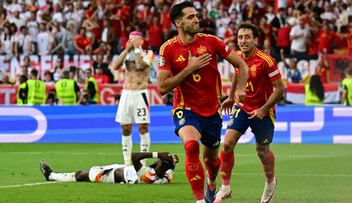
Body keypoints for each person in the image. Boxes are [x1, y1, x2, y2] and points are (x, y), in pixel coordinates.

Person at [157, 2, 249, 203]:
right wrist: (190, 68)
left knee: (212, 161)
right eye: (191, 17)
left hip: (212, 111)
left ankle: (212, 183)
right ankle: (199, 200)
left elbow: (241, 65)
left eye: (196, 15)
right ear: (178, 22)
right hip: (185, 108)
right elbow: (162, 86)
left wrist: (239, 89)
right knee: (191, 146)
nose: (197, 19)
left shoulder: (212, 42)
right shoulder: (168, 49)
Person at [214, 23, 284, 203]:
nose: (243, 41)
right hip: (242, 107)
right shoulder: (237, 57)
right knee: (227, 143)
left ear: (255, 40)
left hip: (263, 111)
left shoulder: (266, 60)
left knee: (262, 150)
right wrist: (231, 96)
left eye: (247, 37)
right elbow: (237, 74)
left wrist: (264, 109)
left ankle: (270, 181)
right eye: (240, 37)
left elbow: (279, 89)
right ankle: (225, 187)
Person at [111, 31, 152, 166]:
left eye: (134, 39)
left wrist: (136, 49)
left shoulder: (148, 54)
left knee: (142, 127)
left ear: (140, 41)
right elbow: (115, 66)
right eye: (130, 39)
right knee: (125, 128)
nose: (131, 41)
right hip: (126, 93)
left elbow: (140, 66)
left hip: (141, 93)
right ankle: (127, 162)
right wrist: (126, 50)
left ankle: (143, 163)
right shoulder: (126, 54)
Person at [40, 152, 178, 185]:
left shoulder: (148, 176)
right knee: (82, 174)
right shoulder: (165, 175)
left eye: (159, 161)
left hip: (111, 176)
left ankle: (51, 176)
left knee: (81, 175)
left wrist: (157, 153)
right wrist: (173, 161)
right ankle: (52, 175)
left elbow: (134, 157)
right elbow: (166, 170)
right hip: (120, 169)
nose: (157, 161)